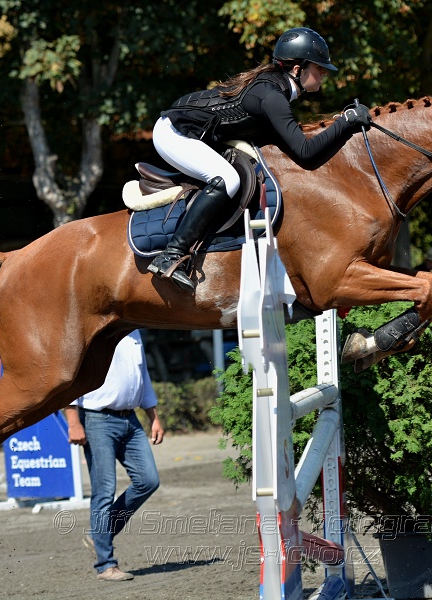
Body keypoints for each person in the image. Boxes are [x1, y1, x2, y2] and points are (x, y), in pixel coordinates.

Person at [148, 27, 373, 292]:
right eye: (319, 67)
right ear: (297, 69)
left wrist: (343, 125)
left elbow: (305, 156)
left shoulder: (275, 90)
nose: (324, 72)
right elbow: (306, 153)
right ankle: (171, 255)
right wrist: (346, 122)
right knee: (227, 180)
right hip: (175, 132)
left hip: (196, 133)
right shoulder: (272, 97)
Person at [63, 330, 164, 582]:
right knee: (104, 490)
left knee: (148, 480)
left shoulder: (135, 332)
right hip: (97, 419)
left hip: (130, 419)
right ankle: (105, 565)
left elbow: (144, 377)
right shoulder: (95, 330)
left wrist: (154, 417)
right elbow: (72, 375)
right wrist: (73, 421)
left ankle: (99, 534)